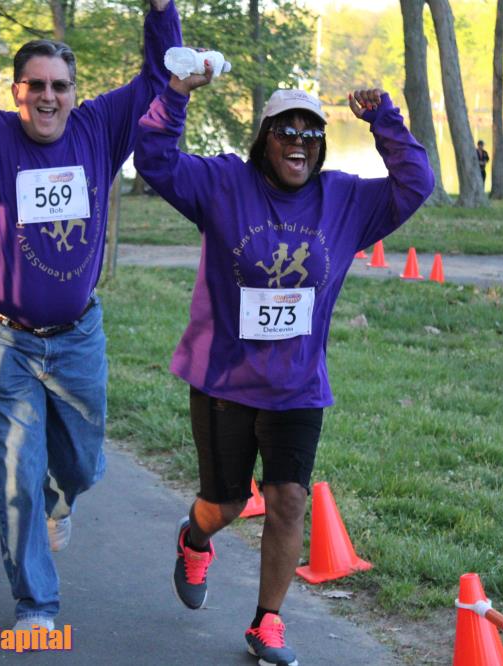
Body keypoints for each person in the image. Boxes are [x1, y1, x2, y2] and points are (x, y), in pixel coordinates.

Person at [134, 65, 433, 666]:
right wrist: (176, 94)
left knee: (289, 499)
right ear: (264, 138)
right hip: (225, 379)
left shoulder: (344, 200)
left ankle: (266, 621)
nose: (300, 141)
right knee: (224, 505)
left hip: (297, 384)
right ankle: (195, 537)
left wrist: (384, 120)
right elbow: (155, 160)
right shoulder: (224, 184)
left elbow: (416, 182)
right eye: (286, 130)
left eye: (311, 132)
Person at [0, 0, 181, 631]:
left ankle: (63, 495)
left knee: (79, 464)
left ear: (74, 93)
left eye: (59, 86)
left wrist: (162, 10)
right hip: (2, 336)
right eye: (36, 85)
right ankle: (36, 603)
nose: (48, 97)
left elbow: (162, 76)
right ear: (16, 91)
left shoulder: (99, 128)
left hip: (78, 336)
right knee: (18, 470)